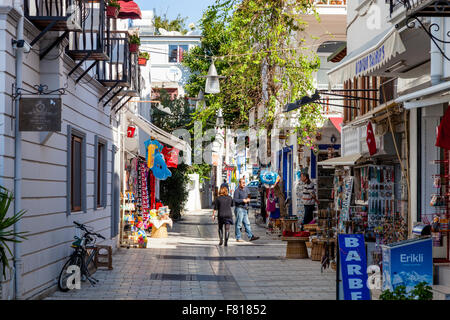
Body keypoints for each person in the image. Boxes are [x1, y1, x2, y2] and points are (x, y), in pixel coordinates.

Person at [233, 178, 260, 242]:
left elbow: (249, 195)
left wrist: (248, 198)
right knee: (239, 224)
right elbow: (235, 200)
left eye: (244, 182)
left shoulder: (246, 189)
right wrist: (243, 200)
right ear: (239, 183)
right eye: (242, 183)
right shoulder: (237, 191)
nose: (244, 184)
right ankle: (238, 237)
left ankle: (251, 236)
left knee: (247, 223)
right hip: (239, 208)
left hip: (245, 209)